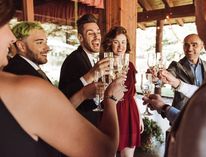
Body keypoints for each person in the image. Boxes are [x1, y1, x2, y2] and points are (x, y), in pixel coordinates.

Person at [0, 0, 125, 156]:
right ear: (21, 46)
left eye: (98, 32)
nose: (10, 36)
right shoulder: (24, 82)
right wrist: (111, 98)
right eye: (4, 23)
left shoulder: (20, 73)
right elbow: (106, 150)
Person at [144, 0, 206, 156]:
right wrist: (164, 105)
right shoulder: (179, 66)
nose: (190, 48)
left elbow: (202, 97)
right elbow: (163, 78)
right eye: (186, 45)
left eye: (195, 9)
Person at [59, 14, 110, 125]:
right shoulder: (73, 60)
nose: (97, 37)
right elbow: (64, 96)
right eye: (91, 33)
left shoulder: (96, 58)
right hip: (80, 123)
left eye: (98, 32)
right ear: (80, 38)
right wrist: (90, 75)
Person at [102, 26, 144, 157]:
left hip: (130, 112)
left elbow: (133, 94)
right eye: (116, 42)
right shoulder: (104, 65)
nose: (121, 46)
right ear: (110, 44)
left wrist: (140, 117)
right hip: (112, 109)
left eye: (123, 42)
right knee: (109, 152)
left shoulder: (130, 65)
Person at [162, 34, 206, 110]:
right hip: (181, 114)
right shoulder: (176, 65)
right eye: (186, 45)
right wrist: (156, 78)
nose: (189, 49)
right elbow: (165, 77)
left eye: (194, 45)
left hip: (203, 113)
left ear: (202, 46)